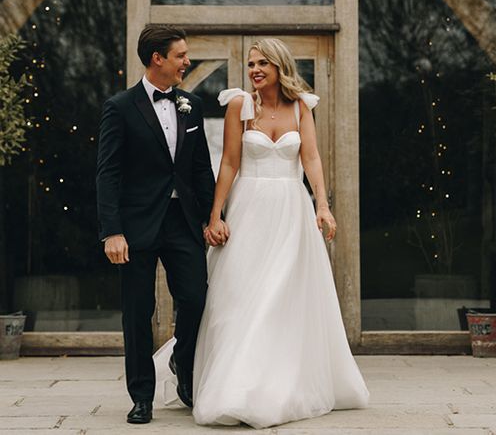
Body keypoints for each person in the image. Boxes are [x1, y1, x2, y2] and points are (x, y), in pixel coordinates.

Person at [153, 37, 369, 428]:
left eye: (263, 64)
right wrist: (215, 216)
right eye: (252, 63)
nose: (254, 70)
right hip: (249, 209)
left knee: (280, 297)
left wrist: (322, 205)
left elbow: (312, 158)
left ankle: (278, 384)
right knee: (239, 298)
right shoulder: (240, 105)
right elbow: (230, 164)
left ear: (279, 67)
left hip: (291, 211)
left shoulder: (302, 106)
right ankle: (234, 385)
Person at [96, 25, 216, 425]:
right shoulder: (119, 107)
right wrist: (112, 231)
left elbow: (201, 169)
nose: (187, 61)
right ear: (157, 59)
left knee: (196, 300)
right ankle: (141, 396)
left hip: (183, 223)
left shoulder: (191, 105)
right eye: (181, 55)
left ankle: (183, 367)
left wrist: (213, 217)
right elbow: (107, 173)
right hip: (135, 227)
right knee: (137, 312)